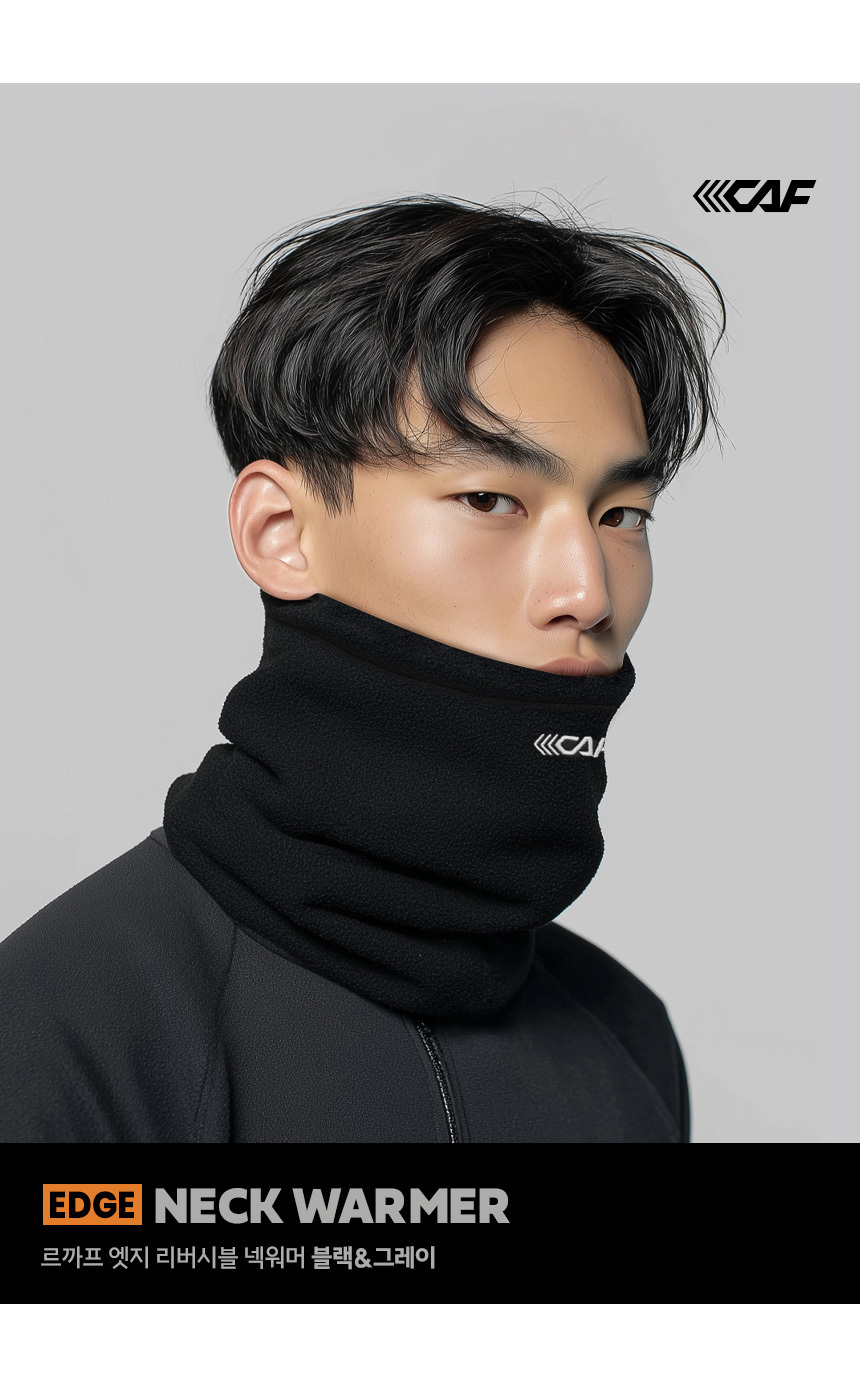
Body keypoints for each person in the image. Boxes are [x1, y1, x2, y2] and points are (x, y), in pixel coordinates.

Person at [0, 193, 725, 1143]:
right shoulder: (55, 1034)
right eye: (490, 499)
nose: (588, 591)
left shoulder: (625, 1036)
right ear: (280, 532)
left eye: (621, 516)